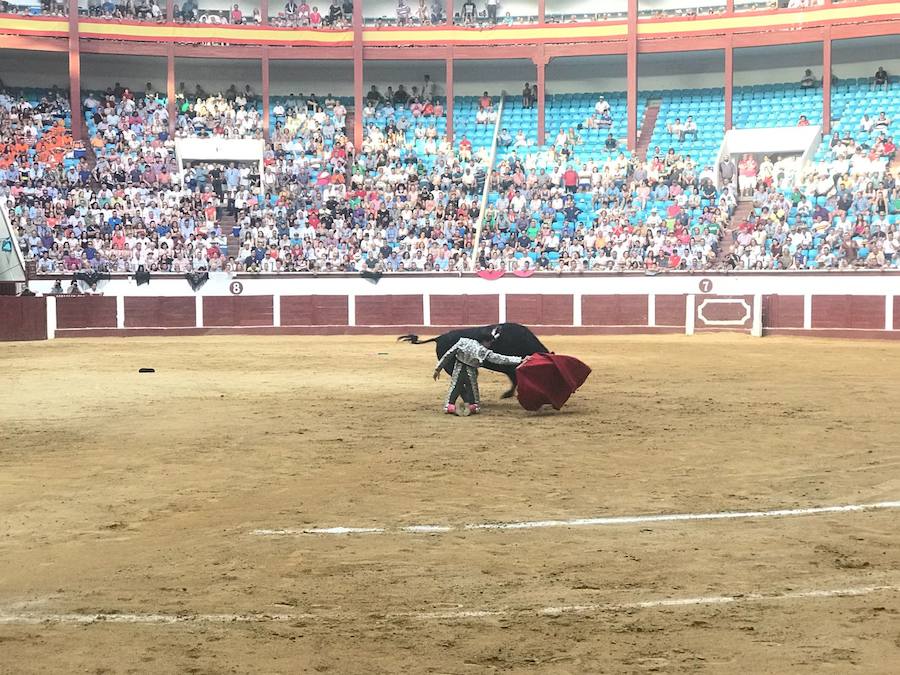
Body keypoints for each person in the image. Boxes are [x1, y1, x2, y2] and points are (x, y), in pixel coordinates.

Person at [433, 330, 526, 415]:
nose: (490, 345)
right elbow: (501, 359)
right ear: (485, 341)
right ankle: (469, 407)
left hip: (458, 371)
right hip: (471, 374)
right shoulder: (483, 351)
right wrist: (520, 360)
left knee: (455, 389)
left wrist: (438, 369)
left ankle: (450, 407)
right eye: (490, 343)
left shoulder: (463, 342)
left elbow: (448, 355)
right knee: (475, 404)